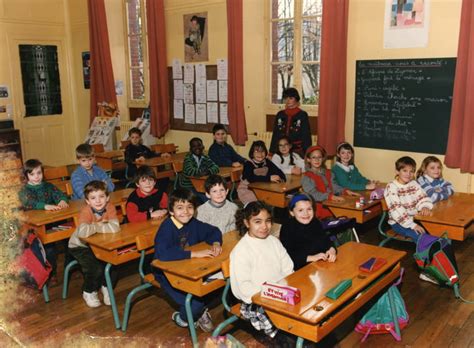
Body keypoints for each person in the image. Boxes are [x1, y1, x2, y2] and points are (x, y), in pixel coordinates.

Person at [153, 188, 222, 332]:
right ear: (171, 211)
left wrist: (216, 242)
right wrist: (194, 254)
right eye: (180, 207)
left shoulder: (193, 223)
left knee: (217, 287)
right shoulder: (167, 227)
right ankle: (182, 319)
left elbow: (214, 231)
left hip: (190, 269)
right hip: (166, 273)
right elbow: (163, 254)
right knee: (195, 303)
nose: (185, 211)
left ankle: (197, 312)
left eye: (190, 207)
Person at [230, 201, 294, 343]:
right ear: (247, 223)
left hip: (281, 294)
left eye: (268, 221)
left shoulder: (273, 241)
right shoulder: (241, 251)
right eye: (257, 222)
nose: (264, 227)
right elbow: (244, 289)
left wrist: (282, 292)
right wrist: (272, 294)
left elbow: (288, 268)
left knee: (304, 323)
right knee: (288, 338)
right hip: (257, 302)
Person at [68, 181, 120, 308]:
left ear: (107, 198)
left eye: (101, 196)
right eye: (93, 198)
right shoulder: (86, 211)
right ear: (87, 201)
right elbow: (83, 233)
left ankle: (106, 287)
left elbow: (115, 228)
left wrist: (94, 227)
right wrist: (103, 225)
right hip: (80, 246)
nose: (98, 201)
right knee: (95, 268)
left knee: (114, 264)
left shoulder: (110, 207)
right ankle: (89, 291)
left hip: (101, 244)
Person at [19, 159, 70, 285]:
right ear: (26, 176)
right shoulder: (24, 190)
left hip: (53, 221)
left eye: (39, 173)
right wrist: (45, 206)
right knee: (49, 248)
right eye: (32, 174)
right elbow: (28, 203)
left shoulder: (48, 186)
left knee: (71, 241)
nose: (36, 177)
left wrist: (62, 200)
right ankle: (50, 273)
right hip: (36, 226)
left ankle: (70, 267)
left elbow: (58, 194)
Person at [280, 194, 336, 271]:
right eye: (300, 210)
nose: (306, 214)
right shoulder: (288, 227)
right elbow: (288, 256)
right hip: (299, 270)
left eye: (309, 209)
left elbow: (326, 241)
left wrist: (332, 250)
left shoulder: (315, 222)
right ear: (292, 212)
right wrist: (312, 258)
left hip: (320, 266)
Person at [384, 156, 433, 243]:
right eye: (405, 171)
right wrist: (412, 225)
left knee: (434, 231)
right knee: (421, 237)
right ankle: (424, 255)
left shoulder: (413, 183)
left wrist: (425, 206)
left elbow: (422, 196)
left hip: (415, 218)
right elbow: (397, 210)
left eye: (411, 171)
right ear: (397, 171)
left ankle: (436, 252)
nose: (408, 174)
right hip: (399, 222)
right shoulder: (391, 187)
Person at [302, 145, 358, 219]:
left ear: (323, 159)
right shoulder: (307, 177)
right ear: (308, 159)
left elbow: (334, 186)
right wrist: (329, 196)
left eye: (319, 157)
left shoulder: (328, 172)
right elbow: (313, 194)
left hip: (332, 205)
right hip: (318, 209)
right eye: (313, 157)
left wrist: (345, 191)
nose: (317, 160)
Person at [237, 141, 286, 205]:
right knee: (256, 205)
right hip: (247, 189)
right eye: (257, 151)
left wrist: (281, 179)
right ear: (252, 153)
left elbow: (279, 172)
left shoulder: (267, 162)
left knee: (276, 199)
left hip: (262, 189)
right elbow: (250, 178)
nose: (260, 154)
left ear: (265, 152)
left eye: (262, 151)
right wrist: (268, 178)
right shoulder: (248, 164)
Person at [269, 88, 312, 157]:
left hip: (297, 151)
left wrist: (308, 154)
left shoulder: (302, 115)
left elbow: (306, 136)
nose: (287, 100)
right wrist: (271, 152)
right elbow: (275, 134)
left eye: (291, 98)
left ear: (296, 99)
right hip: (281, 150)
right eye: (285, 98)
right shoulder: (280, 114)